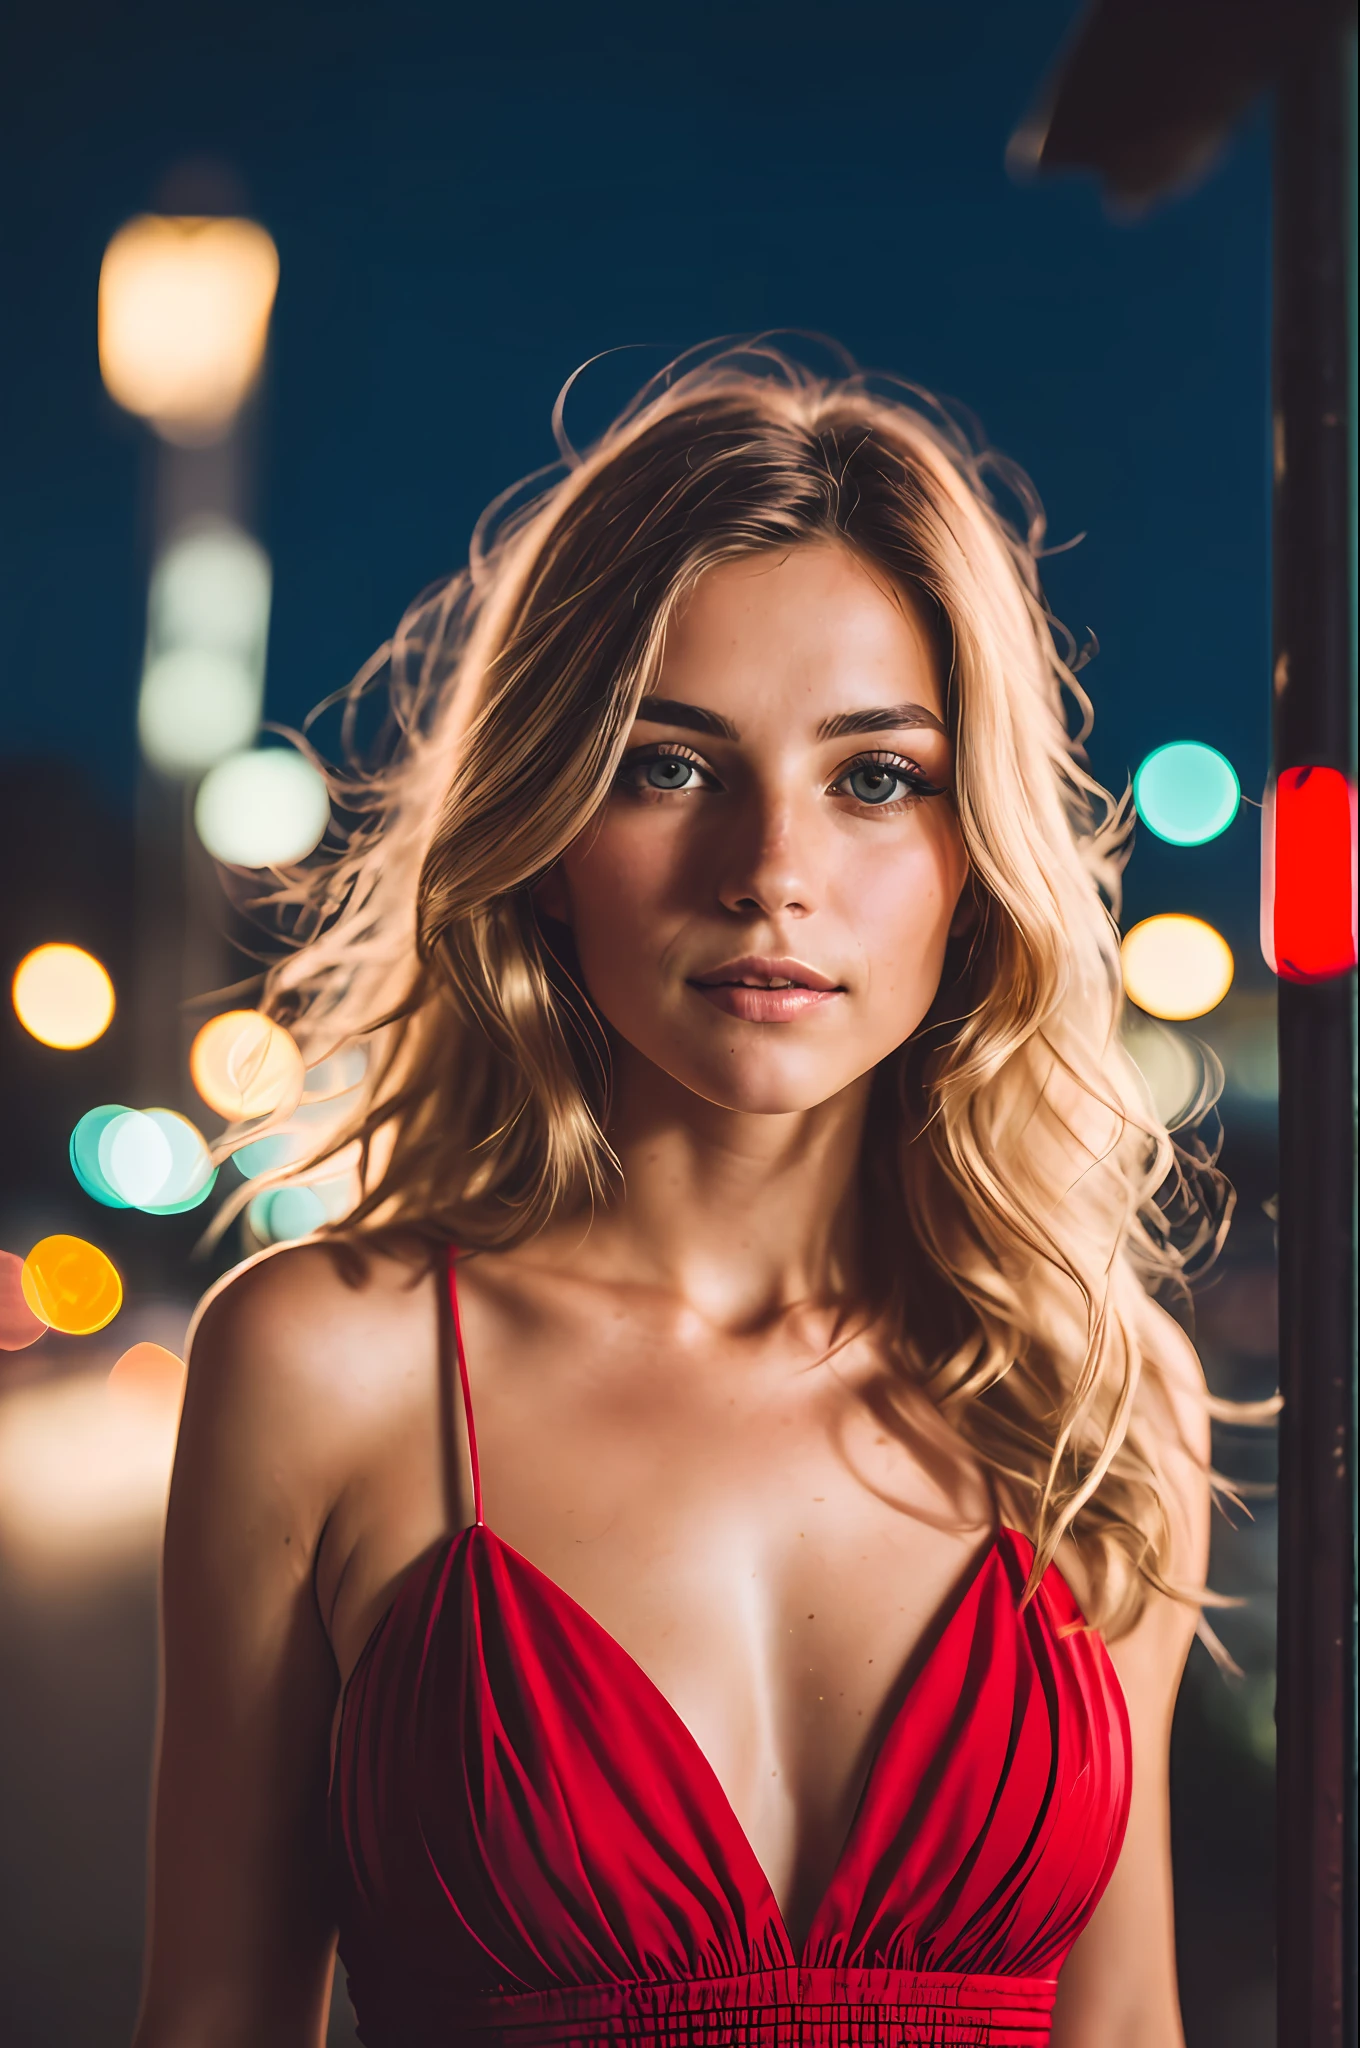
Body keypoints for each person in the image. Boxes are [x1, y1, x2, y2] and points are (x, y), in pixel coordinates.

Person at [132, 344, 1219, 2048]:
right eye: (669, 764)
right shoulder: (327, 1370)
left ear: (973, 854)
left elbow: (1129, 2026)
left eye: (875, 777)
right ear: (549, 832)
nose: (772, 869)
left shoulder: (1093, 1396)